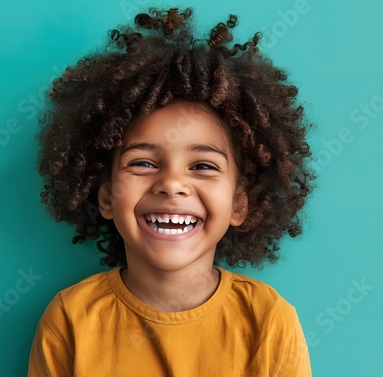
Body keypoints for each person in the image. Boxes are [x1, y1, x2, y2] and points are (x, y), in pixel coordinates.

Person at [28, 6, 314, 376]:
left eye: (203, 166)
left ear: (239, 204)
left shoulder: (268, 321)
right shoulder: (69, 319)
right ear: (106, 197)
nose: (172, 184)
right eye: (143, 163)